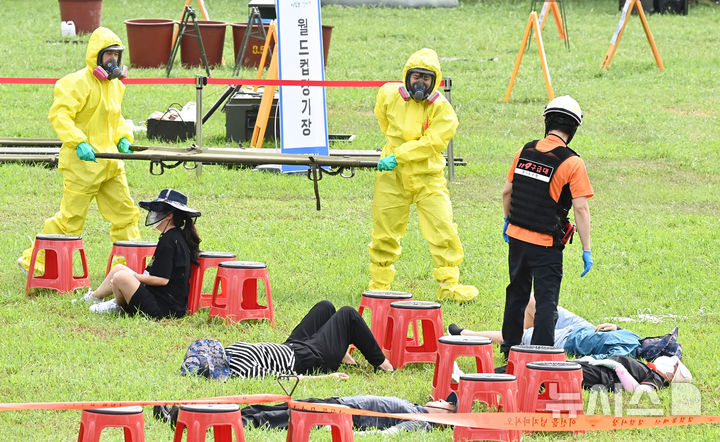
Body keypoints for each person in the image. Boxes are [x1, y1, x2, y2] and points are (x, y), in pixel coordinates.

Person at [17, 27, 140, 274]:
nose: (113, 61)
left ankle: (128, 266)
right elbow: (60, 115)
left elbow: (115, 119)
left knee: (126, 215)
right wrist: (78, 141)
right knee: (70, 220)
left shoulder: (116, 87)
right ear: (96, 56)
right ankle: (35, 262)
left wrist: (124, 137)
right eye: (108, 55)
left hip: (110, 164)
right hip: (82, 166)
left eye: (117, 55)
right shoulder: (75, 83)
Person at [368, 48, 478, 303]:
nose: (420, 82)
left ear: (434, 81)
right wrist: (393, 153)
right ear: (407, 76)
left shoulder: (443, 110)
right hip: (392, 176)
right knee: (384, 231)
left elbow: (432, 143)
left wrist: (399, 154)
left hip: (428, 178)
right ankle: (379, 286)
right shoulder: (387, 94)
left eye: (426, 78)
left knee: (443, 230)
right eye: (416, 76)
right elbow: (383, 121)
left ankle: (449, 286)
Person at [500, 95, 594, 358]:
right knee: (545, 304)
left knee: (516, 294)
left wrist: (508, 220)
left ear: (547, 121)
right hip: (546, 246)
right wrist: (586, 249)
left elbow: (507, 192)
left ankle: (509, 349)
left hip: (516, 238)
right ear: (573, 129)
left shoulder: (525, 150)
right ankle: (539, 357)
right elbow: (581, 208)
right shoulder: (572, 162)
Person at [79, 189, 201, 319]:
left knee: (121, 276)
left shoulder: (170, 241)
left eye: (158, 209)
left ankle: (119, 306)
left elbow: (162, 280)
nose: (153, 212)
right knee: (118, 269)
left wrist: (134, 276)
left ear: (169, 215)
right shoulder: (173, 236)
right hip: (161, 298)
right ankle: (94, 298)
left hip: (164, 308)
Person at [215, 301, 394, 379]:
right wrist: (328, 378)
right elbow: (285, 378)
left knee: (325, 307)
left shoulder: (229, 351)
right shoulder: (239, 370)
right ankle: (382, 364)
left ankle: (342, 355)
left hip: (290, 347)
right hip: (307, 358)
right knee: (348, 314)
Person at [450, 294, 643, 359]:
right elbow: (637, 339)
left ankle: (468, 334)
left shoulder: (626, 353)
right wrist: (616, 327)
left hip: (571, 341)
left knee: (524, 334)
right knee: (533, 300)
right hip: (586, 328)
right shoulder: (641, 341)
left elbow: (599, 361)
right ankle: (525, 341)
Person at [155, 394, 457, 433]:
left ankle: (187, 420)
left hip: (337, 415)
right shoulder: (418, 409)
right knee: (269, 410)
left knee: (266, 419)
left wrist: (338, 431)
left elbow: (387, 434)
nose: (440, 399)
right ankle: (187, 412)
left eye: (446, 403)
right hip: (336, 402)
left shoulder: (421, 423)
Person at [578, 355, 692, 392]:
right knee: (562, 365)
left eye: (674, 366)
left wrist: (618, 368)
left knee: (563, 373)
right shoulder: (650, 370)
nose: (671, 363)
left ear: (670, 377)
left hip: (601, 375)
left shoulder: (657, 380)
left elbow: (638, 390)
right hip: (598, 367)